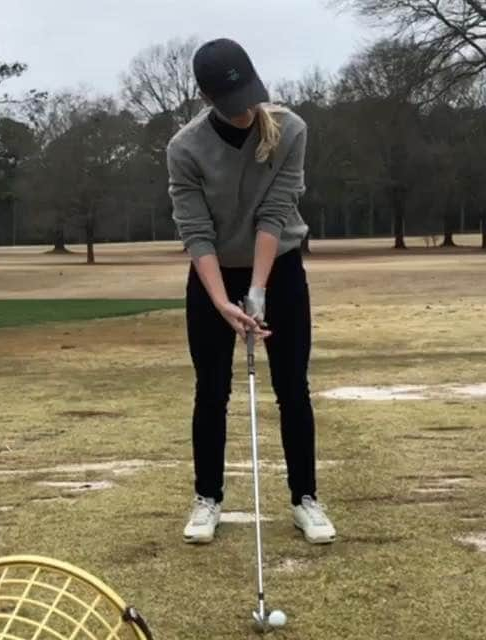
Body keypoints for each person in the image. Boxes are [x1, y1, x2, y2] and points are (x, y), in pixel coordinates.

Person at [166, 38, 336, 545]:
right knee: (211, 390)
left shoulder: (290, 129)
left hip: (278, 268)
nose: (245, 113)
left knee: (292, 387)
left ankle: (306, 498)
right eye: (231, 104)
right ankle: (207, 499)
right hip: (213, 273)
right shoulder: (185, 148)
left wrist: (258, 290)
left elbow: (275, 212)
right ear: (207, 97)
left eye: (250, 98)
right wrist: (223, 301)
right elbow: (196, 232)